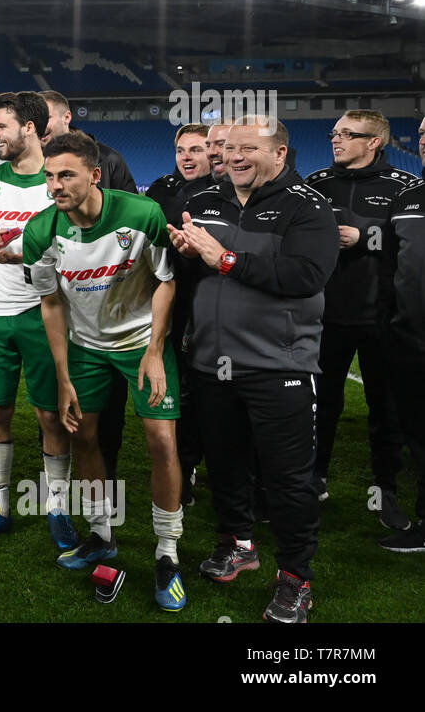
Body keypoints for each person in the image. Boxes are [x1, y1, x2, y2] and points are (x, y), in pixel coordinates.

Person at [171, 116, 337, 624]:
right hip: (210, 362)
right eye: (228, 148)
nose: (232, 157)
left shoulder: (308, 207)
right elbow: (185, 272)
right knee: (225, 464)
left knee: (288, 480)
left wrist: (224, 259)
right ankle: (237, 543)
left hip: (278, 365)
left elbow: (305, 276)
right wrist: (186, 256)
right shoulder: (203, 202)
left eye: (247, 148)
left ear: (280, 154)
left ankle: (295, 579)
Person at [22, 131, 186, 612]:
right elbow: (50, 302)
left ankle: (167, 552)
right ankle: (101, 535)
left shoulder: (141, 214)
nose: (55, 185)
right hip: (86, 349)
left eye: (66, 175)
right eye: (49, 176)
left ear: (95, 175)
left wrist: (155, 349)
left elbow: (165, 282)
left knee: (161, 440)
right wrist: (64, 375)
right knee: (83, 438)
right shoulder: (40, 231)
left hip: (141, 344)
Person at [0, 92, 78, 551]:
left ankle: (59, 508)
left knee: (51, 414)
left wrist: (34, 254)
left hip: (46, 313)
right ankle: (0, 507)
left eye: (1, 127)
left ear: (29, 128)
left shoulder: (59, 181)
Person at [305, 110, 417, 524]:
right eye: (334, 133)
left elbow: (413, 241)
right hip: (324, 316)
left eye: (348, 135)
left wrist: (367, 235)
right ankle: (313, 478)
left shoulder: (404, 187)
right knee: (320, 405)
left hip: (381, 317)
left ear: (374, 142)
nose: (337, 141)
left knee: (384, 409)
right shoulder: (316, 183)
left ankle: (385, 489)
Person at [40, 89, 138, 498]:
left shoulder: (107, 159)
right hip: (62, 303)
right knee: (64, 402)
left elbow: (131, 219)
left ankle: (107, 477)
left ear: (65, 118)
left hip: (113, 307)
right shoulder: (38, 164)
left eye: (45, 120)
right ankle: (74, 489)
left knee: (106, 410)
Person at [146, 123, 213, 506]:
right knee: (179, 389)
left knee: (211, 388)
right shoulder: (160, 190)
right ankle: (184, 467)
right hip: (169, 300)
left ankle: (221, 464)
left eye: (197, 150)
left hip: (211, 301)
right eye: (181, 150)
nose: (187, 157)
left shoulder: (224, 192)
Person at [377, 174, 425, 551]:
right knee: (419, 435)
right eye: (423, 133)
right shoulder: (407, 198)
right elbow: (392, 265)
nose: (424, 140)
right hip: (411, 336)